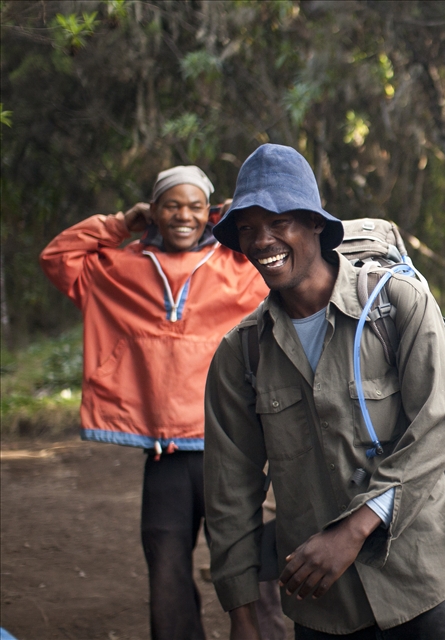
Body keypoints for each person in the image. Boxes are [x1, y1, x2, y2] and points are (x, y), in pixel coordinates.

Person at [203, 144, 445, 639]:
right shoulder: (241, 353)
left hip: (425, 578)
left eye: (279, 221)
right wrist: (241, 612)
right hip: (324, 603)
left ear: (314, 223)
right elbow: (230, 487)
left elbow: (438, 428)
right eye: (247, 228)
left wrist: (351, 531)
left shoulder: (396, 303)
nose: (262, 241)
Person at [39, 166, 271, 640]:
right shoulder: (117, 268)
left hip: (230, 445)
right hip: (163, 452)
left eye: (195, 206)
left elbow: (275, 252)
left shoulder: (237, 267)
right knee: (165, 569)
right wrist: (122, 223)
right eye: (171, 205)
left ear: (210, 212)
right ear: (154, 209)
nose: (183, 215)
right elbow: (58, 256)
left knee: (252, 563)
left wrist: (231, 218)